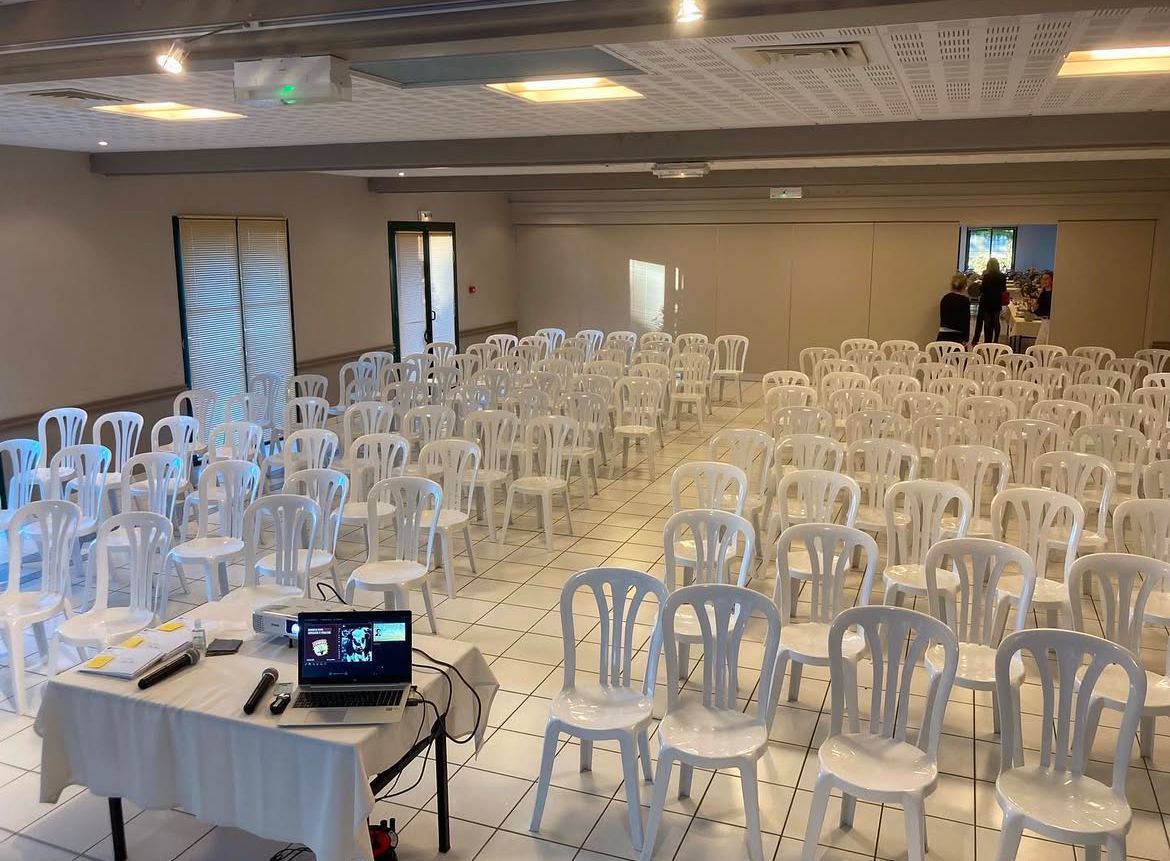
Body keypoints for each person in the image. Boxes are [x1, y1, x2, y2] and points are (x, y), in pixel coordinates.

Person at [973, 257, 1006, 344]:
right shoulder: (1002, 276)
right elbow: (1003, 289)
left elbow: (983, 289)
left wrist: (980, 286)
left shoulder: (987, 276)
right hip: (997, 301)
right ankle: (996, 340)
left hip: (986, 301)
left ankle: (987, 340)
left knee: (987, 321)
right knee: (996, 321)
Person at [938, 273, 971, 345]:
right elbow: (966, 320)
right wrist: (966, 338)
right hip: (958, 337)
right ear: (965, 286)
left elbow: (942, 316)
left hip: (943, 335)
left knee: (942, 356)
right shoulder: (964, 300)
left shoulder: (945, 298)